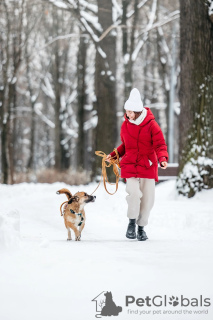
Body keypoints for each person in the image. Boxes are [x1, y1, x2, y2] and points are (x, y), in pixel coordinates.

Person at [105, 88, 168, 241]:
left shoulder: (152, 125)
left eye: (131, 112)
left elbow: (160, 144)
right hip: (130, 165)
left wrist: (162, 158)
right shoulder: (125, 125)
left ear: (138, 111)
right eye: (127, 111)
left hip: (148, 165)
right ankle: (131, 223)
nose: (128, 115)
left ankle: (141, 228)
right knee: (133, 194)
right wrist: (113, 155)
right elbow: (124, 146)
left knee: (148, 200)